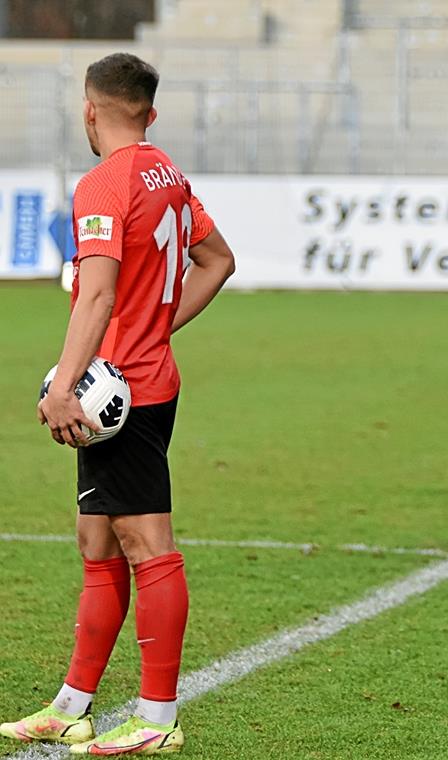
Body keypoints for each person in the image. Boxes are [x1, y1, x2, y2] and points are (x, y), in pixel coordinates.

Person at [0, 53, 235, 755]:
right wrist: (159, 326)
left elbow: (97, 294)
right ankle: (72, 705)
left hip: (121, 394)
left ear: (89, 108)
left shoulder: (105, 183)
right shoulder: (167, 172)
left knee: (145, 544)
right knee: (96, 541)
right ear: (150, 112)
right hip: (145, 378)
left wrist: (66, 384)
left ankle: (158, 718)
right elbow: (217, 260)